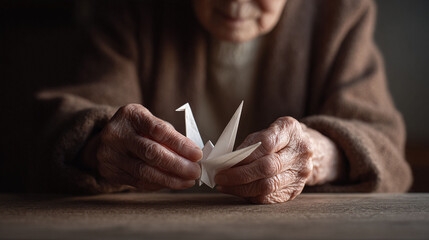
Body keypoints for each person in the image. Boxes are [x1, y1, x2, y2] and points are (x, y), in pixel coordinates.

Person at [30, 0, 411, 203]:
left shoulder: (341, 12)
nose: (235, 3)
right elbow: (61, 125)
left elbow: (387, 152)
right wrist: (100, 147)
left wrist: (319, 154)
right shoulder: (133, 8)